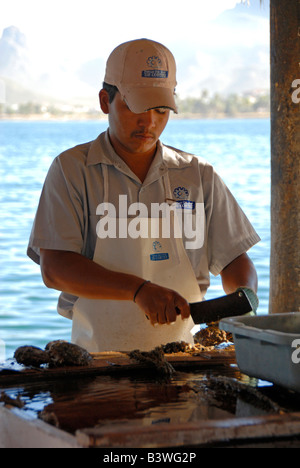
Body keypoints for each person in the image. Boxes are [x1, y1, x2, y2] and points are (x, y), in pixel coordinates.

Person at [27, 38, 260, 352]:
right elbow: (55, 269)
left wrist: (241, 303)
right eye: (134, 106)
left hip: (187, 358)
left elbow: (235, 261)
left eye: (161, 108)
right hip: (99, 360)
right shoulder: (71, 171)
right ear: (104, 101)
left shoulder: (198, 175)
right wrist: (138, 290)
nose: (149, 122)